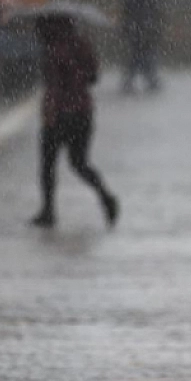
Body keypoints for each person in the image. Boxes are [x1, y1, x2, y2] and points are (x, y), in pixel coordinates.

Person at [32, 15, 118, 228]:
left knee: (48, 164)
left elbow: (53, 85)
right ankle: (105, 196)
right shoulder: (82, 45)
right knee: (80, 163)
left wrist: (51, 111)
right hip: (83, 113)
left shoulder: (51, 50)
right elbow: (94, 77)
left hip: (58, 114)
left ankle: (48, 210)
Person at [120, 0, 162, 94]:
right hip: (144, 32)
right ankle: (149, 79)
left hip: (136, 32)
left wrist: (128, 29)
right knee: (145, 57)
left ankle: (131, 80)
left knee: (136, 57)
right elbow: (155, 13)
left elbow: (127, 13)